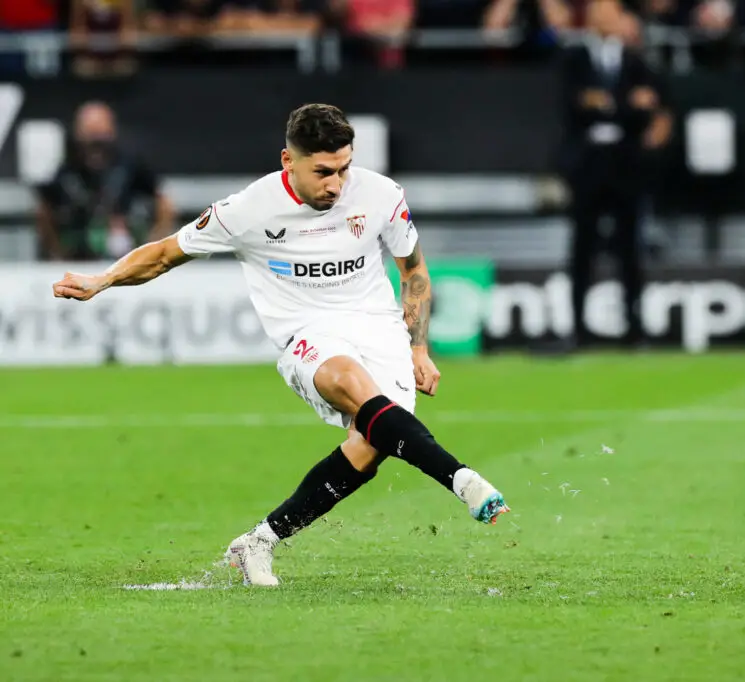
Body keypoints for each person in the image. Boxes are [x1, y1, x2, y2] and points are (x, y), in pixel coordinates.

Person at [51, 104, 510, 587]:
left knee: (370, 448)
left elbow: (412, 270)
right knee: (349, 381)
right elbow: (164, 254)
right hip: (307, 333)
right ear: (288, 161)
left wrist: (417, 349)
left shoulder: (381, 194)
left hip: (378, 329)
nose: (336, 184)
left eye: (344, 169)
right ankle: (462, 480)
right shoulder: (249, 209)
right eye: (323, 172)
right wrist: (102, 280)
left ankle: (258, 542)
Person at [559, 0, 663, 348]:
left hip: (625, 163)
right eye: (598, 11)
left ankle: (634, 326)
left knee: (629, 246)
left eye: (610, 11)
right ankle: (577, 326)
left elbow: (648, 107)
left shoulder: (635, 61)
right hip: (587, 164)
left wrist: (604, 102)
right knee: (582, 246)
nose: (603, 18)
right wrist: (625, 103)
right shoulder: (574, 58)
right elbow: (573, 104)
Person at [36, 101, 175, 261]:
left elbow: (164, 203)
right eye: (90, 135)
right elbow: (44, 210)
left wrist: (153, 249)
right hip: (78, 258)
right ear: (77, 134)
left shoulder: (130, 167)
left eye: (100, 136)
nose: (96, 144)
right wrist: (57, 252)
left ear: (112, 132)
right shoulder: (66, 171)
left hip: (126, 256)